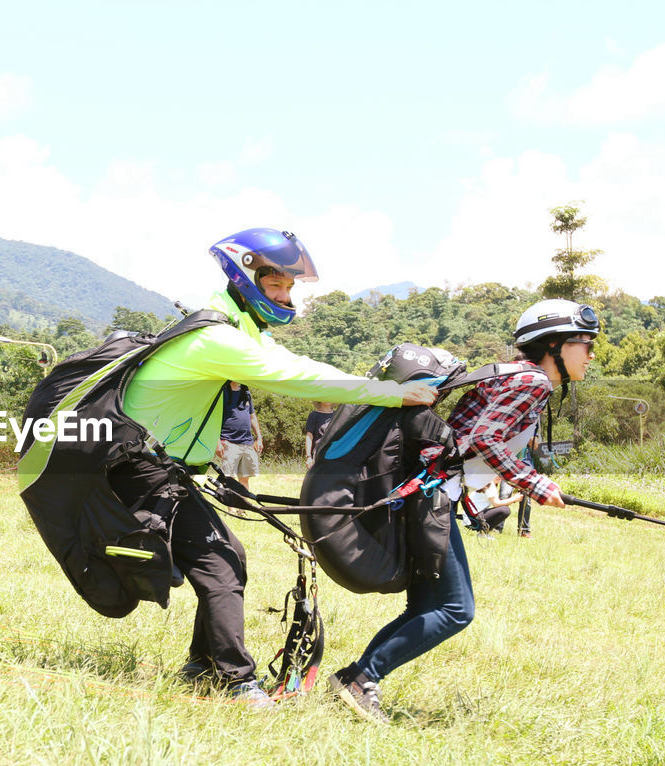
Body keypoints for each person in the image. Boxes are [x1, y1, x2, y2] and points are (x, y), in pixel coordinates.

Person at [113, 227, 437, 708]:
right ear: (245, 277)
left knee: (228, 558)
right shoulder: (214, 337)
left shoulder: (236, 327)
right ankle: (235, 679)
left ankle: (203, 664)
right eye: (276, 286)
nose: (285, 296)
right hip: (139, 467)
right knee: (221, 565)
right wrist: (391, 392)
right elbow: (297, 377)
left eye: (289, 287)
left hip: (163, 466)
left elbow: (292, 358)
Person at [328, 298, 599, 722]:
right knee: (456, 610)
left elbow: (474, 440)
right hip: (433, 496)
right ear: (555, 346)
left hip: (429, 493)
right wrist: (536, 483)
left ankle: (355, 679)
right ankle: (361, 678)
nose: (592, 354)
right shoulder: (533, 382)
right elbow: (486, 439)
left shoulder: (515, 375)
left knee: (427, 608)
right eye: (585, 344)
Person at [215, 381, 262, 491]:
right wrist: (217, 442)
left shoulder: (246, 392)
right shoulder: (223, 391)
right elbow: (214, 418)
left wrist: (259, 437)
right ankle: (231, 508)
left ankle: (242, 507)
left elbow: (252, 417)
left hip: (247, 442)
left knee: (244, 478)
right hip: (229, 442)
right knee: (229, 478)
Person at [304, 401, 334, 466]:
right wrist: (308, 457)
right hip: (318, 455)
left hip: (334, 454)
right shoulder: (313, 415)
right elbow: (309, 436)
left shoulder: (338, 415)